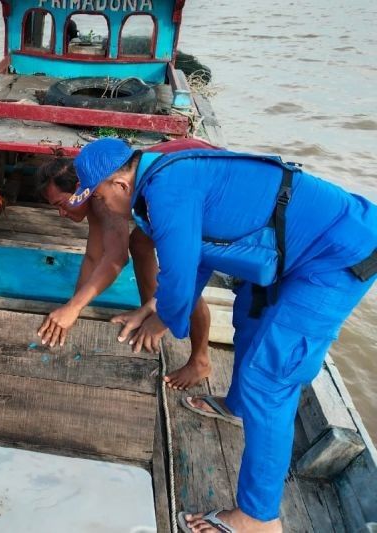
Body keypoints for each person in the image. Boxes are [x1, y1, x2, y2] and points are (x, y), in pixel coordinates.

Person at [67, 137, 377, 532]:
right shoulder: (160, 179)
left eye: (97, 197)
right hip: (294, 247)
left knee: (272, 379)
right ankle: (238, 406)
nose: (101, 207)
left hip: (335, 256)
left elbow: (180, 275)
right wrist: (162, 307)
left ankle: (258, 518)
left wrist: (165, 319)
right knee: (250, 314)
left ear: (120, 185)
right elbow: (195, 257)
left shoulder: (166, 190)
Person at [36, 138, 218, 390]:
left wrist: (74, 308)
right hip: (178, 178)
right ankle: (149, 309)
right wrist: (71, 310)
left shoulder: (103, 195)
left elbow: (115, 258)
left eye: (61, 204)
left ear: (82, 190)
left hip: (199, 185)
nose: (62, 214)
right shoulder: (98, 190)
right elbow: (93, 257)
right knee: (140, 243)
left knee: (184, 276)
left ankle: (199, 359)